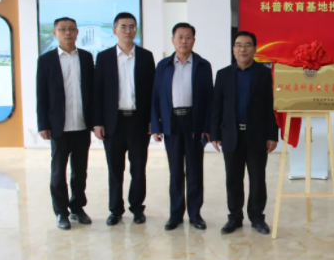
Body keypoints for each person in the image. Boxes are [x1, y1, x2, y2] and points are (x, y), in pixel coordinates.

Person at [211, 32, 279, 235]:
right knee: (233, 179)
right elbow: (217, 106)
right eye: (239, 45)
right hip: (231, 134)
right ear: (233, 49)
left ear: (255, 49)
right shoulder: (223, 74)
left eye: (247, 45)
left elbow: (270, 106)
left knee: (257, 179)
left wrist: (272, 135)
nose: (243, 49)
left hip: (256, 135)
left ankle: (257, 217)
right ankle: (234, 217)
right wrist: (214, 133)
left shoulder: (264, 74)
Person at [94, 13, 155, 226]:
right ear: (114, 31)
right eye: (123, 27)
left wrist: (152, 119)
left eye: (132, 26)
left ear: (136, 30)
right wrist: (97, 122)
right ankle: (115, 210)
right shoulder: (104, 58)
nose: (128, 31)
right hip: (113, 122)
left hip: (139, 121)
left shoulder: (146, 57)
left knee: (138, 168)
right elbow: (98, 91)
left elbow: (153, 92)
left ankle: (137, 208)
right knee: (114, 169)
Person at [152, 23, 213, 231]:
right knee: (176, 170)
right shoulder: (163, 66)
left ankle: (195, 214)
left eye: (188, 37)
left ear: (194, 40)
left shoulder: (203, 65)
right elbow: (156, 96)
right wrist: (156, 125)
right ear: (173, 40)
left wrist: (208, 127)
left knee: (195, 170)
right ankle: (176, 214)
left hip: (194, 121)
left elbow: (210, 99)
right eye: (180, 37)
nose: (184, 41)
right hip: (172, 122)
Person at [36, 17, 94, 230]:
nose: (67, 33)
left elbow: (92, 91)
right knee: (58, 173)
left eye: (71, 29)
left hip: (81, 125)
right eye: (62, 30)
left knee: (80, 172)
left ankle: (77, 208)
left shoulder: (86, 58)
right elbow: (41, 94)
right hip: (58, 127)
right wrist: (43, 124)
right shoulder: (46, 60)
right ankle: (61, 212)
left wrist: (95, 121)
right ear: (55, 33)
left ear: (77, 32)